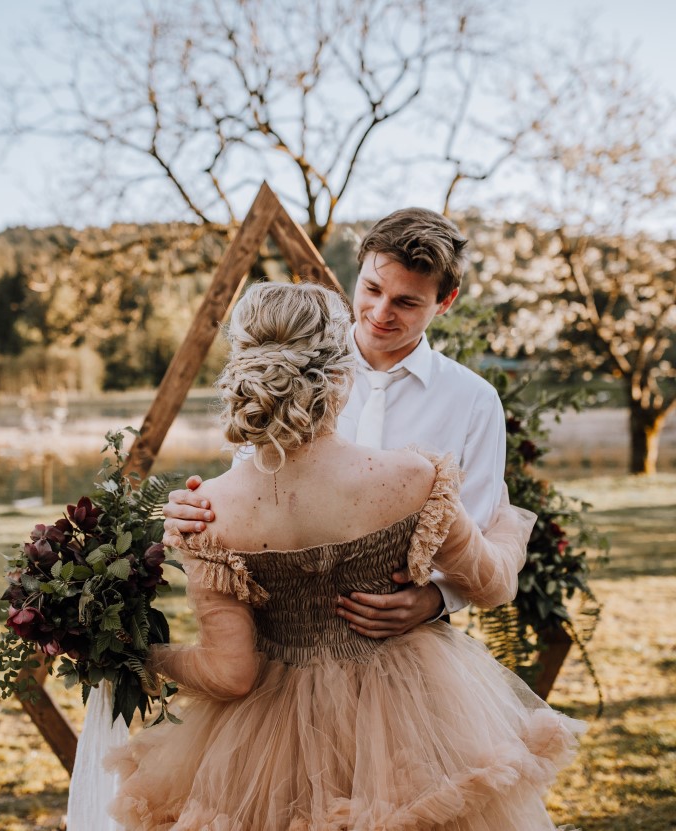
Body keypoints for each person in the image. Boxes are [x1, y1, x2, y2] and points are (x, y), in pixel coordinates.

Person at [105, 282, 583, 830]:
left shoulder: (205, 512)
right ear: (342, 376)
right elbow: (492, 585)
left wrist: (141, 652)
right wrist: (504, 525)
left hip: (265, 746)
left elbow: (231, 674)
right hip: (416, 721)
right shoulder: (412, 477)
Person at [162, 208, 506, 635]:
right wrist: (199, 512)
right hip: (286, 637)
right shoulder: (293, 365)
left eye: (406, 302)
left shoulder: (474, 401)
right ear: (357, 272)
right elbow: (255, 474)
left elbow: (478, 532)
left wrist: (435, 600)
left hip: (410, 649)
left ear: (445, 302)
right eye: (372, 288)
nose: (380, 312)